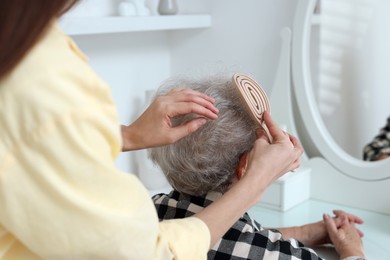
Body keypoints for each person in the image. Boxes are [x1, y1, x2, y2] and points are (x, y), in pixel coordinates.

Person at [0, 1, 304, 259]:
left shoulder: (153, 209)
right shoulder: (47, 85)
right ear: (244, 165)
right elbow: (156, 253)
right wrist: (257, 183)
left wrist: (129, 135)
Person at [149, 73, 367, 260]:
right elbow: (246, 242)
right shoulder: (268, 253)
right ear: (245, 165)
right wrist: (352, 249)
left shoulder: (149, 211)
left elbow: (227, 234)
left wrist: (303, 232)